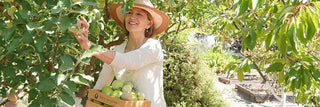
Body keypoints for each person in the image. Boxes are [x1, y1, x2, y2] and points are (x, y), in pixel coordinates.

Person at [73, 0, 169, 106]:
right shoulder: (117, 49)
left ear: (149, 23)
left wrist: (90, 46)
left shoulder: (153, 46)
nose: (132, 17)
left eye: (139, 14)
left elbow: (127, 61)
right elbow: (100, 87)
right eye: (129, 12)